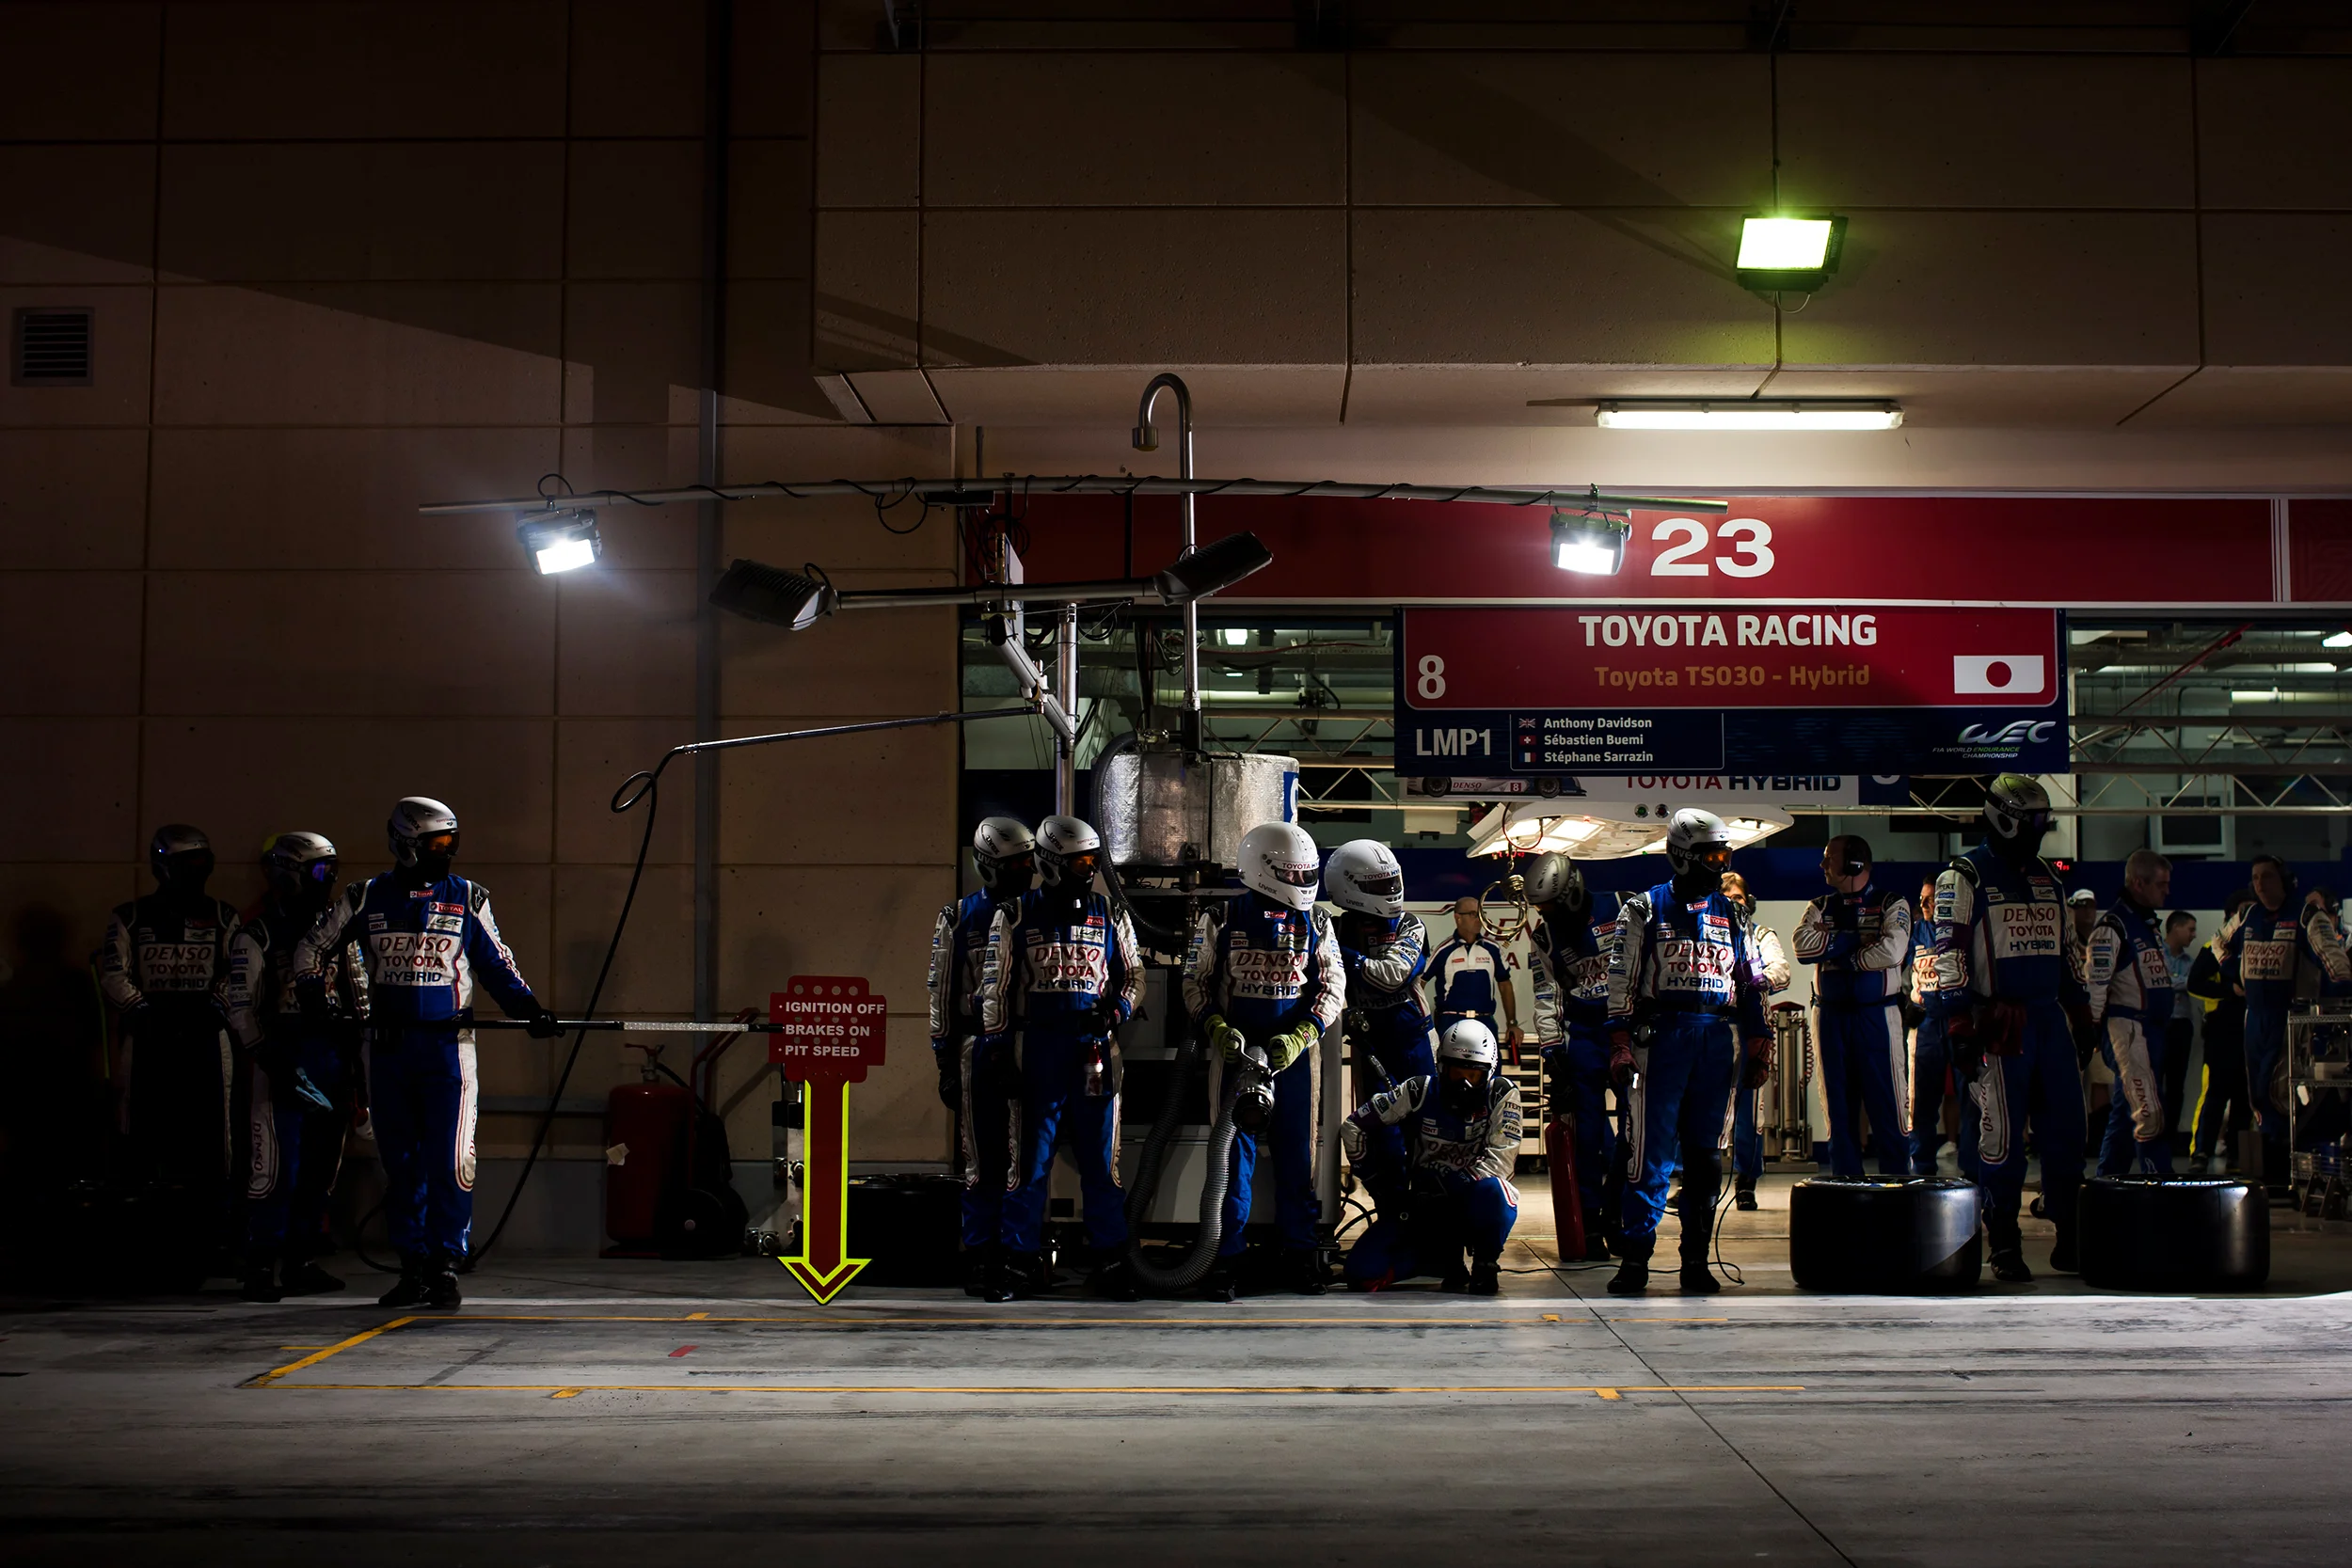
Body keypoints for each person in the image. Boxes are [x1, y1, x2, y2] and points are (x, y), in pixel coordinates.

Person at [296, 798, 559, 1310]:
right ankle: (413, 1266)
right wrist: (314, 995)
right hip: (388, 1051)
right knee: (402, 1165)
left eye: (451, 843)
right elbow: (311, 949)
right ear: (404, 844)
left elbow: (497, 965)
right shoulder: (364, 896)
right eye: (436, 844)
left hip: (449, 1051)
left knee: (454, 1159)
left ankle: (445, 1267)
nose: (446, 853)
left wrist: (530, 1011)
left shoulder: (468, 897)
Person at [1930, 774, 2093, 1282]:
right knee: (2000, 1138)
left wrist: (2082, 1009)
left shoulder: (2050, 877)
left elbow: (2066, 953)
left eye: (2043, 824)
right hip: (1998, 1022)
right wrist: (1958, 1017)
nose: (2039, 832)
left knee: (2068, 1133)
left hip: (2049, 1021)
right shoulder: (1963, 876)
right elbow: (1948, 952)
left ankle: (2070, 1234)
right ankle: (2003, 1240)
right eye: (2032, 823)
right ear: (2002, 817)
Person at [1603, 809, 1771, 1296]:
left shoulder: (1734, 912)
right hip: (1660, 1039)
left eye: (1725, 855)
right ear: (1679, 856)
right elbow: (1621, 981)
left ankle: (1695, 1262)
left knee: (1705, 1158)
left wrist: (1759, 1039)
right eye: (1710, 856)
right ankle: (1635, 1259)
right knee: (1648, 1157)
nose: (1719, 865)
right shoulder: (1643, 908)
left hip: (1716, 1039)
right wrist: (1618, 1041)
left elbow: (1751, 979)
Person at [975, 815, 1141, 1303]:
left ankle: (1110, 1259)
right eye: (1078, 862)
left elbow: (1134, 976)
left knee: (1101, 1161)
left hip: (1096, 1049)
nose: (1087, 870)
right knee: (1028, 1163)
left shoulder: (1112, 914)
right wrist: (999, 1048)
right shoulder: (1015, 913)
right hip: (1037, 1049)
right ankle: (1020, 1261)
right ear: (1049, 864)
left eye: (1092, 861)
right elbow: (995, 989)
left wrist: (1117, 1009)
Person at [1184, 820, 1344, 1300]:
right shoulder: (1218, 917)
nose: (1301, 884)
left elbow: (1332, 987)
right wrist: (1214, 1026)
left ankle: (1299, 1256)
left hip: (1294, 1058)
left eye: (1305, 874)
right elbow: (1194, 982)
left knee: (1300, 1163)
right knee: (1230, 1165)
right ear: (1263, 870)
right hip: (1233, 1057)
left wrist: (1303, 1034)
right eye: (1293, 875)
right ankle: (1225, 1259)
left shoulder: (1317, 922)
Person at [225, 832, 367, 1301]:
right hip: (281, 1057)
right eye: (320, 872)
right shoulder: (256, 933)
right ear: (289, 873)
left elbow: (361, 994)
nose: (328, 882)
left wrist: (360, 1063)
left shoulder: (341, 930)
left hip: (332, 1055)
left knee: (321, 1169)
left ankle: (302, 1261)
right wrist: (270, 1059)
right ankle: (259, 1265)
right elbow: (240, 1005)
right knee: (274, 1170)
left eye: (332, 871)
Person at [100, 826, 243, 1265]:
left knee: (214, 1139)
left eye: (203, 862)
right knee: (140, 1132)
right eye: (187, 863)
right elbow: (111, 973)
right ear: (163, 866)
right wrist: (142, 1011)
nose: (197, 871)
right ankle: (140, 1233)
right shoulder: (129, 916)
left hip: (208, 1036)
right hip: (147, 1039)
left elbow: (238, 971)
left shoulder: (224, 916)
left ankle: (216, 1233)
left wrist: (213, 1008)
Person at [926, 816, 1035, 1296]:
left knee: (1025, 1160)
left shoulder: (1038, 910)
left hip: (1031, 1047)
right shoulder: (958, 916)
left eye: (1030, 862)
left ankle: (1019, 1254)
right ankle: (982, 1255)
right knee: (983, 1159)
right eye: (1014, 865)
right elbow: (941, 993)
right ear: (989, 867)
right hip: (977, 1051)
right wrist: (945, 1063)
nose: (1025, 871)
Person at [1341, 1019, 1521, 1295]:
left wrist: (1455, 1185)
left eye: (1472, 1075)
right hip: (1424, 1207)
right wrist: (1377, 1182)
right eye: (1456, 1073)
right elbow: (1353, 1126)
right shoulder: (1417, 1090)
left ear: (1489, 1072)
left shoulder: (1501, 1094)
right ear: (1441, 1067)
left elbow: (1502, 1162)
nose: (1463, 1084)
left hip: (1469, 1200)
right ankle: (1438, 1261)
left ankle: (1485, 1263)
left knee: (1495, 1193)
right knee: (1361, 1274)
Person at [2217, 854, 2352, 1191]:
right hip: (2256, 1018)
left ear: (2285, 880)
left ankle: (2298, 1168)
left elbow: (2337, 965)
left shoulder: (2307, 916)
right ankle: (2273, 1171)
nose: (2260, 884)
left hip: (2294, 1020)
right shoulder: (2247, 915)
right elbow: (2218, 946)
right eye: (2255, 878)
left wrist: (2338, 999)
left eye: (2267, 877)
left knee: (2287, 1096)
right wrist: (2238, 974)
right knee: (2258, 1096)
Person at [1793, 835, 1913, 1179]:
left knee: (1889, 1109)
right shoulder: (1820, 905)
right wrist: (1855, 940)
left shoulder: (1893, 903)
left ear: (1854, 864)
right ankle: (1846, 1188)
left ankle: (1898, 1192)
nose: (1822, 865)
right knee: (1838, 1114)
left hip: (1879, 1016)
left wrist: (1836, 952)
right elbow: (1803, 947)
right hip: (1829, 1017)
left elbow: (1892, 951)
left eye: (1829, 858)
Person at [1523, 851, 1618, 1257]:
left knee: (1638, 1136)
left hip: (1628, 1030)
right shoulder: (1544, 937)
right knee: (1587, 1136)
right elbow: (1546, 995)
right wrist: (1552, 1053)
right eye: (1540, 909)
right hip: (1582, 1036)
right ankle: (1593, 1222)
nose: (1547, 915)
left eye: (1551, 906)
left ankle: (1622, 1215)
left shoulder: (1623, 905)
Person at [2085, 849, 2177, 1177]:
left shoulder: (2146, 923)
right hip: (2128, 1031)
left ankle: (2106, 1184)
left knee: (2127, 1113)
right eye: (2161, 884)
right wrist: (2089, 1033)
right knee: (2148, 1113)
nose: (2167, 890)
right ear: (2139, 883)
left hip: (2151, 1032)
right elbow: (2095, 986)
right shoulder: (2112, 927)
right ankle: (2160, 1186)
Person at [1326, 839, 1437, 1091]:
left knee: (1427, 1119)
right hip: (1368, 1043)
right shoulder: (1335, 928)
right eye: (1379, 885)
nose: (1391, 890)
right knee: (1377, 1123)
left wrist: (1342, 954)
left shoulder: (1408, 924)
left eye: (1392, 882)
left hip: (1414, 1040)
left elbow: (1392, 977)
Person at [1722, 869, 1790, 1209]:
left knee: (1749, 1112)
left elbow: (1781, 970)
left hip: (1751, 1029)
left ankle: (1745, 1181)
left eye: (1737, 897)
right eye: (1726, 898)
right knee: (1699, 1105)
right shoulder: (1708, 933)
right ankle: (1689, 1177)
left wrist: (1754, 979)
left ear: (1749, 902)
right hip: (1714, 1026)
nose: (1733, 904)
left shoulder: (1761, 934)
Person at [1907, 873, 1971, 1180]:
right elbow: (1896, 971)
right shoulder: (1914, 932)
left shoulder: (1961, 931)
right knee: (1922, 1104)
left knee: (1970, 1097)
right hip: (1926, 1022)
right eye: (1922, 899)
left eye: (1930, 898)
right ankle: (1922, 1172)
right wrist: (1904, 1003)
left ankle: (1973, 1170)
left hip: (1960, 1018)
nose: (1924, 904)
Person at [2185, 888, 2254, 1176]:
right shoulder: (2212, 949)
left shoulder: (2258, 947)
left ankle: (2238, 1156)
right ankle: (2201, 1152)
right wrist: (2230, 990)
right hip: (2221, 1030)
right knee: (2215, 1094)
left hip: (2252, 1029)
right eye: (2244, 911)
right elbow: (2195, 984)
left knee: (2244, 1097)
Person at [1426, 895, 1519, 1053]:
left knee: (1491, 1073)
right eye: (1473, 914)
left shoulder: (1492, 949)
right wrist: (1423, 1023)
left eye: (1482, 914)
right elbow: (1419, 983)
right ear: (1458, 918)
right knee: (1448, 1073)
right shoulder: (1443, 950)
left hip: (1485, 1021)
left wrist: (1512, 1023)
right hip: (1450, 1022)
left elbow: (1505, 985)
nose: (1480, 920)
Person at [2160, 910, 2199, 1144]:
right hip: (2159, 1024)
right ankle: (2150, 1135)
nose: (2193, 935)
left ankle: (2170, 1138)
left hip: (2182, 1026)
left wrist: (2171, 982)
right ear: (2176, 927)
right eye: (2190, 929)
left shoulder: (2190, 962)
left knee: (2176, 1085)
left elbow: (2192, 984)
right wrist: (2179, 983)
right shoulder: (2155, 954)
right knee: (2154, 1081)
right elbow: (2157, 983)